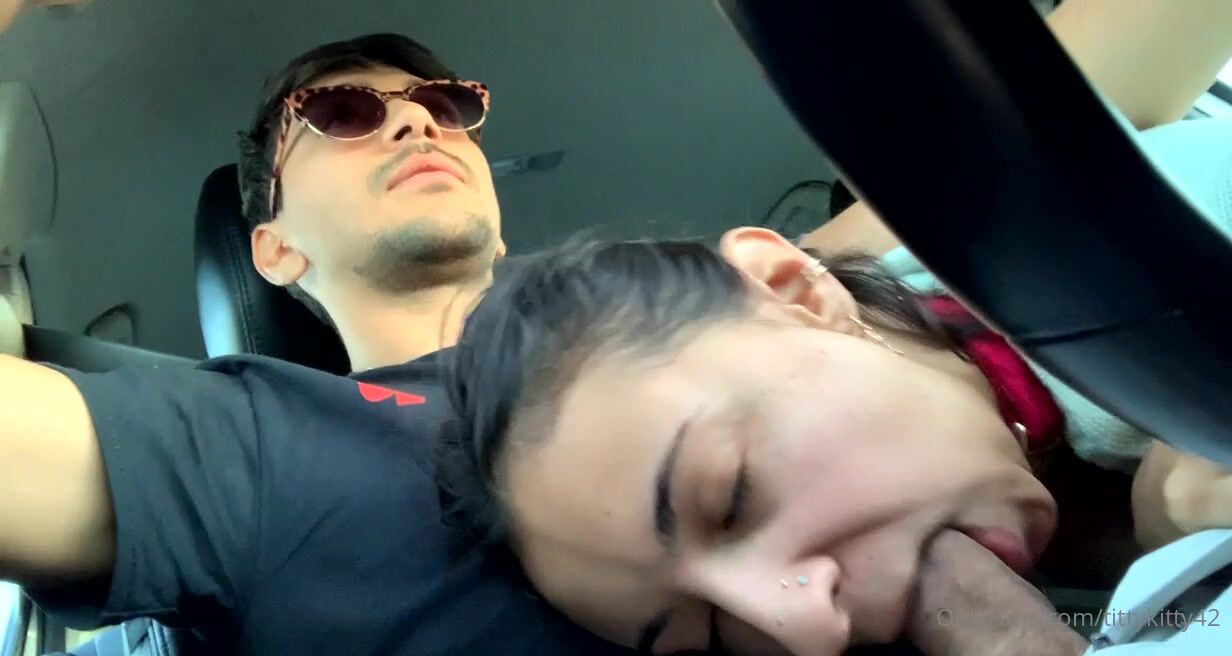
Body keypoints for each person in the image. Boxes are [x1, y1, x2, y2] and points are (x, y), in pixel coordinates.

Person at [0, 1, 1230, 655]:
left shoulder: (798, 297)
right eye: (342, 113)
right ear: (270, 246)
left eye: (443, 103)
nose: (417, 123)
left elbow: (1055, 134)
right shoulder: (246, 447)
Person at [439, 112, 1232, 654]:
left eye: (732, 495)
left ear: (796, 290)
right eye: (707, 633)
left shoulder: (1167, 234)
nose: (805, 628)